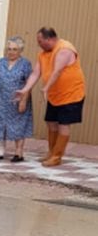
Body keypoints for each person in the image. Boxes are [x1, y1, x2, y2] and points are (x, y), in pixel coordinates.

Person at [15, 27, 85, 167]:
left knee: (63, 124)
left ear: (49, 39)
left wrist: (46, 87)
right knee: (51, 122)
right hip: (54, 95)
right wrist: (25, 90)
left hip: (71, 94)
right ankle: (51, 152)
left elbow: (57, 71)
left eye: (40, 41)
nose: (39, 44)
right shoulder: (43, 54)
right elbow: (36, 73)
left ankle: (57, 156)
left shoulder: (64, 49)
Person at [0, 36, 33, 162]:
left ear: (20, 51)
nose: (11, 52)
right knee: (1, 124)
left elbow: (29, 83)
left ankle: (19, 153)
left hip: (17, 100)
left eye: (14, 49)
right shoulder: (1, 62)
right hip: (1, 100)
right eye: (9, 49)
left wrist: (23, 101)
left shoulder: (25, 64)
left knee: (19, 125)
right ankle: (0, 151)